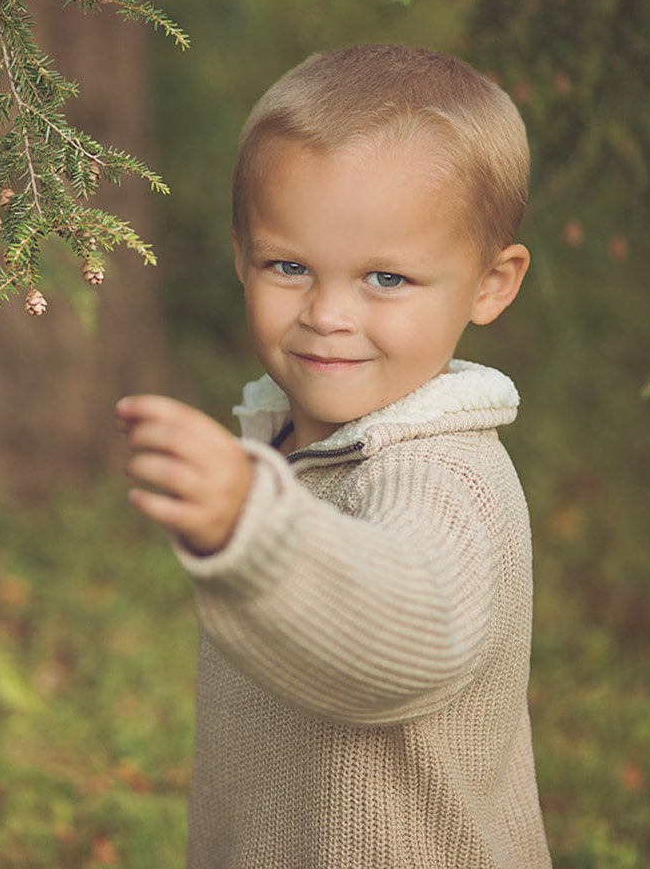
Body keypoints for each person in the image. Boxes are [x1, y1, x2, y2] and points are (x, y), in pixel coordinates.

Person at [116, 44, 552, 868]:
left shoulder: (444, 475)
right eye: (290, 266)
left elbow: (406, 636)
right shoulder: (286, 440)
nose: (327, 313)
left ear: (490, 283)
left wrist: (254, 526)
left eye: (385, 278)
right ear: (242, 254)